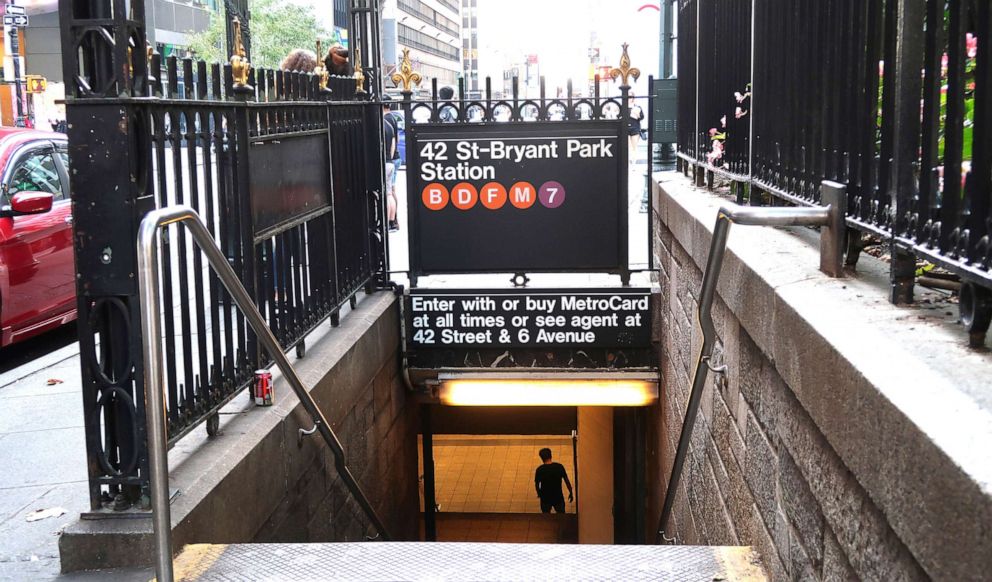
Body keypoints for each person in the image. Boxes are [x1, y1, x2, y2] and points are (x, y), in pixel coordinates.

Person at [534, 447, 573, 513]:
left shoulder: (540, 469)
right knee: (561, 514)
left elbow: (537, 484)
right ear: (551, 455)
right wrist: (570, 492)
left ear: (541, 458)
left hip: (545, 497)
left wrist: (539, 493)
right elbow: (566, 481)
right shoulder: (559, 467)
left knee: (546, 515)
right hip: (558, 496)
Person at [382, 97, 400, 232]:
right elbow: (394, 142)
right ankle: (393, 221)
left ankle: (388, 221)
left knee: (387, 193)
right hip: (391, 161)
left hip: (386, 161)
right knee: (390, 192)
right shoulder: (391, 121)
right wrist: (391, 157)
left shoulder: (384, 121)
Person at [626, 93, 644, 165]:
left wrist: (637, 115)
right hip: (626, 128)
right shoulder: (623, 107)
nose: (629, 98)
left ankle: (633, 163)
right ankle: (628, 162)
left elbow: (642, 117)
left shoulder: (637, 107)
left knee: (634, 147)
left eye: (631, 97)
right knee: (627, 146)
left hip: (635, 128)